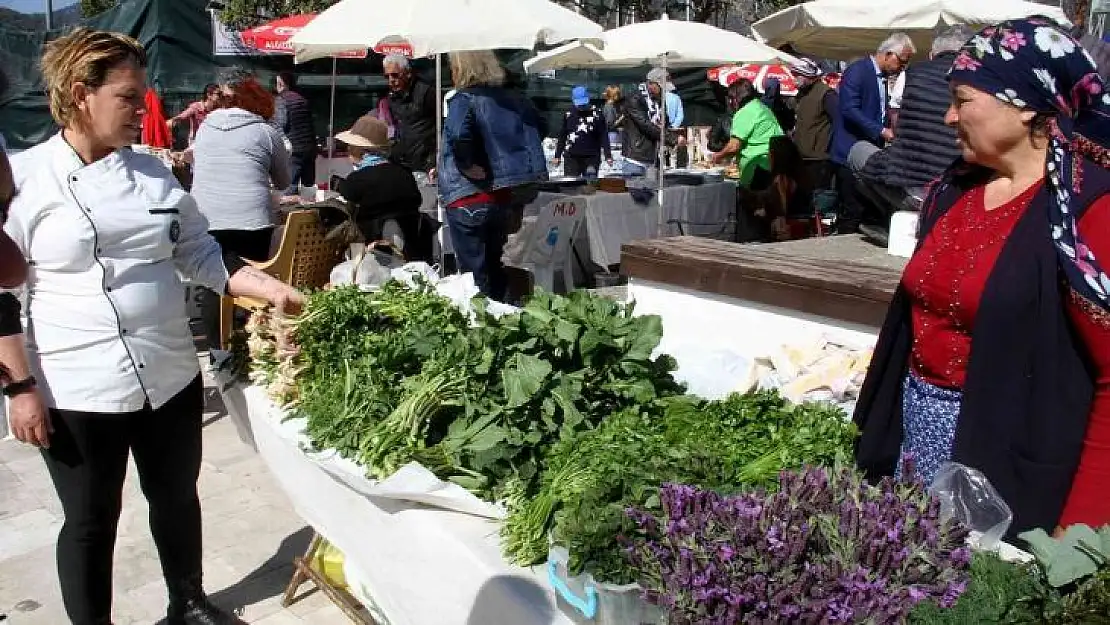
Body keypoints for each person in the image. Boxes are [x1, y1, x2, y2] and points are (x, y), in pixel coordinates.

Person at [1, 28, 304, 625]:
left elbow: (200, 254)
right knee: (90, 521)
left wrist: (268, 286)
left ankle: (187, 601)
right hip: (77, 385)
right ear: (80, 94)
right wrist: (19, 388)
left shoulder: (154, 176)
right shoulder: (25, 179)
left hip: (167, 371)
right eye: (129, 95)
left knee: (175, 496)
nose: (143, 108)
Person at [854, 18, 1110, 537]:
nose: (948, 116)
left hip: (1011, 467)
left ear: (1025, 104)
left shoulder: (1087, 211)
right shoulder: (953, 189)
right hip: (915, 447)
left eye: (963, 99)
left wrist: (1079, 531)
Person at [190, 69, 292, 348]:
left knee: (213, 285)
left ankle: (217, 350)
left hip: (205, 221)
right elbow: (283, 181)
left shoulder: (204, 128)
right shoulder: (265, 132)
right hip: (252, 223)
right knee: (254, 280)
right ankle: (249, 346)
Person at [439, 50, 546, 301]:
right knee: (494, 266)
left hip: (467, 194)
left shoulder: (464, 98)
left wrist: (467, 165)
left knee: (474, 276)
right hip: (500, 195)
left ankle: (482, 329)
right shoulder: (515, 99)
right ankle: (502, 322)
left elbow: (457, 134)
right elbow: (541, 126)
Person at [854, 25, 972, 214]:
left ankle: (891, 218)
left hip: (918, 192)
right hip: (962, 189)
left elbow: (897, 124)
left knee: (858, 152)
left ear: (933, 55)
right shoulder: (979, 81)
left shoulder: (912, 74)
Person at [831, 32, 916, 233]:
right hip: (849, 151)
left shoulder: (884, 78)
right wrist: (881, 130)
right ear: (888, 54)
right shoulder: (858, 71)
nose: (902, 67)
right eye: (902, 62)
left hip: (871, 151)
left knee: (868, 207)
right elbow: (849, 109)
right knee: (852, 209)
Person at [333, 115, 434, 262]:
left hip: (374, 251)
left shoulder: (359, 178)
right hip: (413, 249)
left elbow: (346, 195)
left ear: (360, 150)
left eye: (350, 146)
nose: (347, 150)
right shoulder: (404, 173)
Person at [710, 78, 784, 190]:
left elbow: (734, 146)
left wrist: (718, 156)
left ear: (736, 98)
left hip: (758, 167)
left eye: (730, 98)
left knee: (755, 203)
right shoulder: (761, 107)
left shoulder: (745, 112)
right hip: (772, 162)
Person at [384, 54, 438, 174]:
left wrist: (435, 160)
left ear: (408, 73)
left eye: (395, 75)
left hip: (427, 163)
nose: (391, 80)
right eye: (387, 76)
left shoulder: (427, 92)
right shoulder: (392, 96)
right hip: (402, 161)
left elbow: (444, 125)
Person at [789, 57, 838, 189]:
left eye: (797, 75)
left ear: (806, 75)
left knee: (818, 197)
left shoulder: (826, 94)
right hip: (802, 157)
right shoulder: (802, 94)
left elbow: (839, 121)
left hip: (818, 159)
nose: (794, 78)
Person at [553, 85, 613, 177]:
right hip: (571, 157)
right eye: (579, 104)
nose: (581, 107)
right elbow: (562, 135)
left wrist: (608, 155)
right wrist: (557, 155)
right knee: (571, 186)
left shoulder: (597, 114)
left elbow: (603, 135)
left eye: (583, 104)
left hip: (591, 157)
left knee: (589, 186)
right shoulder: (568, 114)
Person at [618, 74, 669, 176]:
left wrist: (664, 122)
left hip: (652, 156)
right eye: (661, 87)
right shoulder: (634, 99)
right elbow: (645, 125)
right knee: (636, 190)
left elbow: (664, 120)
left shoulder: (658, 100)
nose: (664, 91)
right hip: (635, 157)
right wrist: (673, 138)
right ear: (651, 84)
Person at [275, 71, 317, 194]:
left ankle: (292, 212)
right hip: (309, 148)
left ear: (281, 84)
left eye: (277, 83)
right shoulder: (303, 99)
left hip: (293, 150)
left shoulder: (281, 100)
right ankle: (309, 212)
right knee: (308, 187)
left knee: (290, 187)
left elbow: (281, 124)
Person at [646, 68, 687, 168]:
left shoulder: (653, 99)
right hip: (672, 130)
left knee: (661, 155)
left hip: (658, 132)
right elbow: (680, 115)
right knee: (672, 155)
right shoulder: (675, 98)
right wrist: (673, 125)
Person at [602, 85, 622, 150]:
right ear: (614, 96)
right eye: (618, 94)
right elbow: (610, 125)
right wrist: (622, 118)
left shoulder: (610, 106)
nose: (619, 96)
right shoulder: (610, 107)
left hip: (611, 134)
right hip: (611, 135)